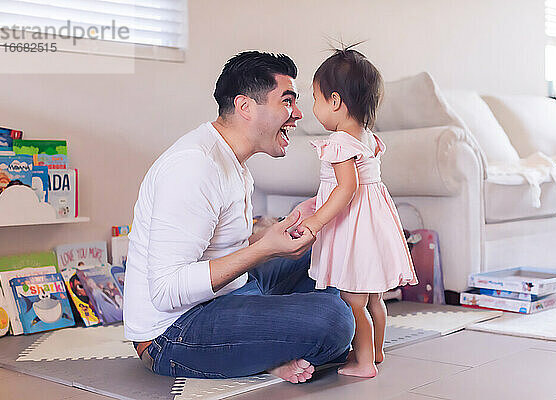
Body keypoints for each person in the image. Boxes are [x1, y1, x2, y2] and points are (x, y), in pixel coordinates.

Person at [123, 51, 355, 383]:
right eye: (287, 101)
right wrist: (264, 249)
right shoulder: (194, 166)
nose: (298, 113)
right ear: (245, 107)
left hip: (231, 292)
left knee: (326, 244)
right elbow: (166, 289)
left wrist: (274, 228)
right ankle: (272, 348)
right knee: (335, 321)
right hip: (173, 332)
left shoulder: (231, 158)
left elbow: (222, 242)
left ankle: (267, 346)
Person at [295, 47, 418, 378]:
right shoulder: (369, 138)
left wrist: (317, 220)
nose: (314, 108)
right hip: (375, 223)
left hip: (353, 228)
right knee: (374, 296)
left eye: (316, 99)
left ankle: (362, 362)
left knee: (352, 299)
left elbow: (346, 188)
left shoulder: (339, 142)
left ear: (335, 102)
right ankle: (377, 351)